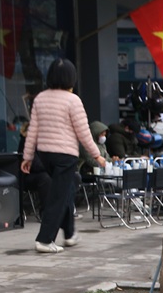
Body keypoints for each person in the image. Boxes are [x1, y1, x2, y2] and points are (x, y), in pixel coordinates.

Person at [21, 58, 106, 253]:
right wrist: (97, 155)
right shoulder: (73, 100)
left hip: (45, 155)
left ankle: (69, 234)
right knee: (57, 198)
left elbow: (33, 130)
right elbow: (83, 132)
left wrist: (28, 156)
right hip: (65, 156)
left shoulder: (40, 98)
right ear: (71, 78)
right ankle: (44, 240)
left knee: (63, 191)